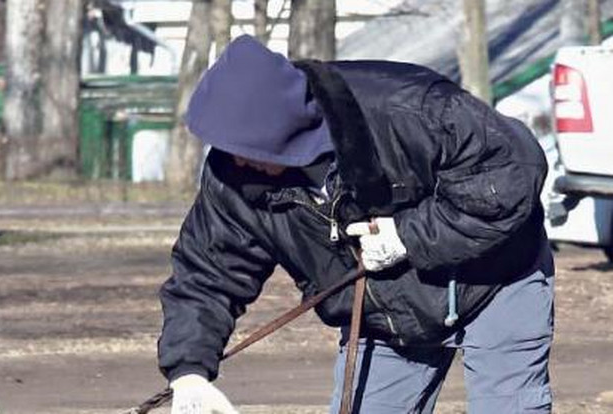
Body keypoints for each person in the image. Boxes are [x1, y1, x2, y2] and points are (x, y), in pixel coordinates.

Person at [158, 35, 554, 414]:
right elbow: (208, 273)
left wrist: (408, 236)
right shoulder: (232, 175)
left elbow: (510, 175)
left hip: (496, 280)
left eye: (249, 148)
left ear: (284, 126)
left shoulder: (406, 107)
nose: (238, 161)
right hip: (388, 317)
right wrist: (189, 370)